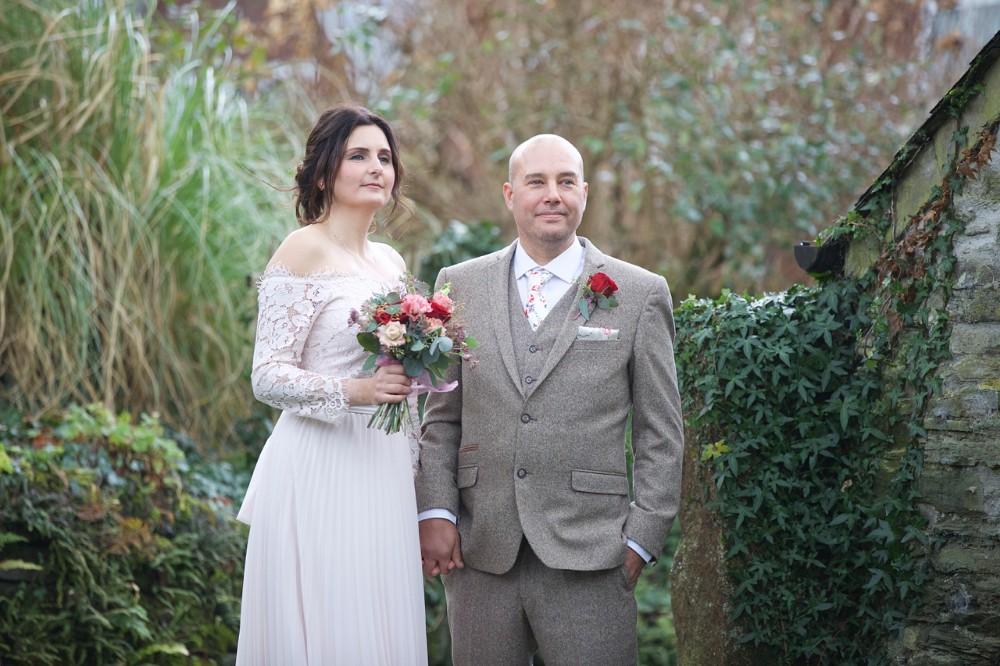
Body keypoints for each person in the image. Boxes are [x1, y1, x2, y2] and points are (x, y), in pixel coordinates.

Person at [416, 134, 684, 665]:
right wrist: (437, 510)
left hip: (593, 553)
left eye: (566, 181)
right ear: (509, 194)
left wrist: (640, 540)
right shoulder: (459, 285)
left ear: (583, 193)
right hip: (481, 551)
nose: (552, 194)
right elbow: (441, 417)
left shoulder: (639, 293)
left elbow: (661, 431)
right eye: (536, 181)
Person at [236, 103, 427, 664]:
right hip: (320, 463)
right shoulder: (303, 248)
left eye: (384, 158)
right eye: (358, 156)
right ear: (324, 172)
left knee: (379, 625)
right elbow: (267, 375)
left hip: (384, 466)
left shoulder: (391, 263)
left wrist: (416, 475)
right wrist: (355, 392)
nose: (376, 168)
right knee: (332, 625)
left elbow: (402, 378)